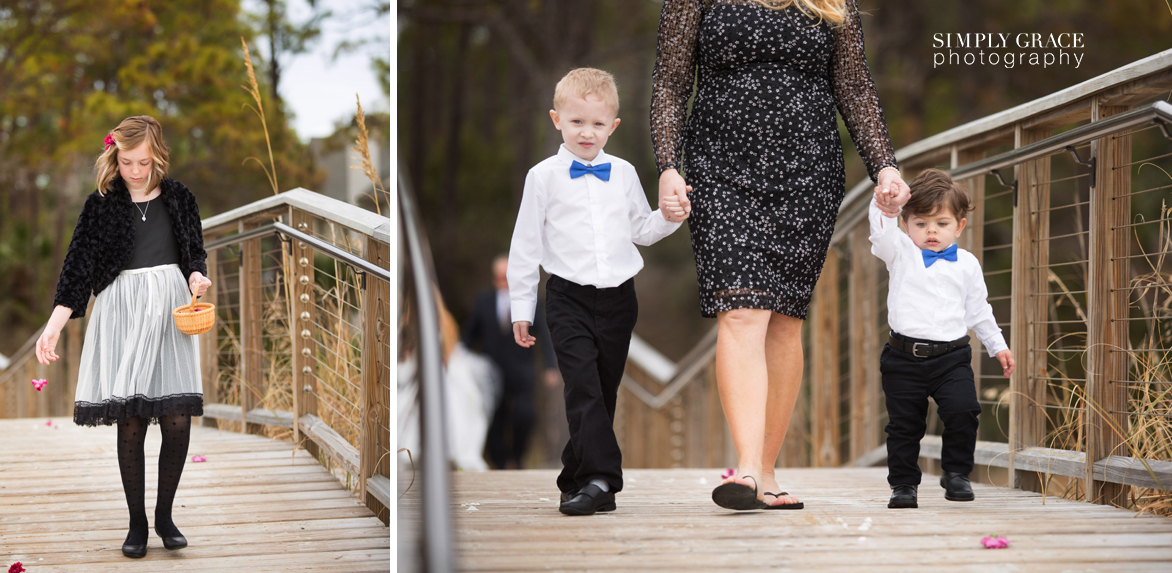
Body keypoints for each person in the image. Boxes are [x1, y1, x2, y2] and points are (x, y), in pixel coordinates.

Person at [651, 0, 912, 510]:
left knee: (785, 321)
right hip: (720, 169)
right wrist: (667, 164)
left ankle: (766, 470)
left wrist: (885, 167)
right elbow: (670, 82)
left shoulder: (833, 3)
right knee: (743, 309)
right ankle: (746, 470)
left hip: (807, 173)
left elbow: (854, 87)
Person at [509, 68, 683, 516]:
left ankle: (577, 478)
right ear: (556, 120)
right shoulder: (542, 177)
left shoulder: (622, 173)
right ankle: (605, 478)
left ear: (614, 126)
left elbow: (642, 230)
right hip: (566, 298)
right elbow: (526, 247)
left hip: (619, 299)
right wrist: (521, 308)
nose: (587, 133)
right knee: (582, 389)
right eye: (577, 122)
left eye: (597, 124)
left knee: (603, 392)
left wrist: (671, 216)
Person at [35, 116, 211, 558]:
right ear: (115, 156)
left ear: (159, 157)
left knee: (176, 419)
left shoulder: (180, 198)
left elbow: (195, 254)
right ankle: (136, 525)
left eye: (144, 162)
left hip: (169, 313)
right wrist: (53, 327)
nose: (135, 170)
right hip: (122, 314)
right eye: (127, 162)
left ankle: (165, 515)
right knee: (131, 419)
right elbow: (76, 271)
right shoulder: (100, 205)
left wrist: (196, 277)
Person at [870, 168, 1015, 509]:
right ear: (906, 224)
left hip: (952, 357)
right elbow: (880, 232)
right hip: (903, 357)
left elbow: (979, 310)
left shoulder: (967, 264)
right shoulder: (900, 252)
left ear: (960, 226)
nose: (931, 231)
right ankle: (903, 485)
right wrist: (886, 204)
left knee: (964, 411)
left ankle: (956, 473)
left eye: (942, 223)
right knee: (905, 425)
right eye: (920, 223)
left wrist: (998, 345)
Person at [462, 255, 559, 470]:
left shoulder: (531, 302)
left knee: (525, 414)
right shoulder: (483, 301)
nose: (502, 282)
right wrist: (457, 359)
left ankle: (518, 455)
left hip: (523, 369)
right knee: (495, 418)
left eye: (506, 277)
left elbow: (544, 334)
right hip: (491, 370)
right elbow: (470, 334)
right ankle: (500, 463)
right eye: (498, 277)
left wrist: (551, 367)